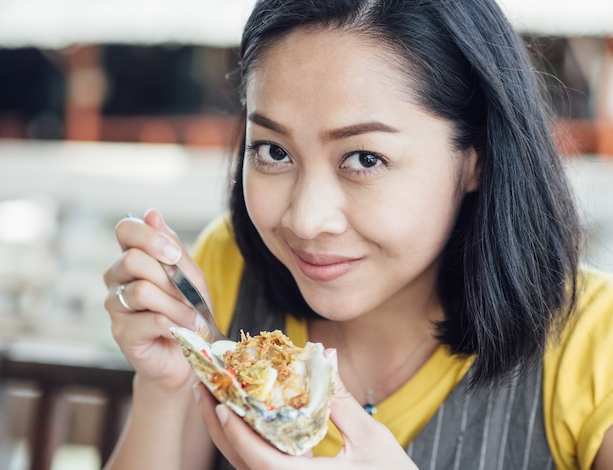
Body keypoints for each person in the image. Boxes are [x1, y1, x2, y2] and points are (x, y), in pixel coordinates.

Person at [102, 0, 613, 468]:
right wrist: (163, 387)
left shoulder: (594, 342)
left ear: (476, 159)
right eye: (274, 151)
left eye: (365, 159)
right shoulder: (226, 267)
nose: (304, 220)